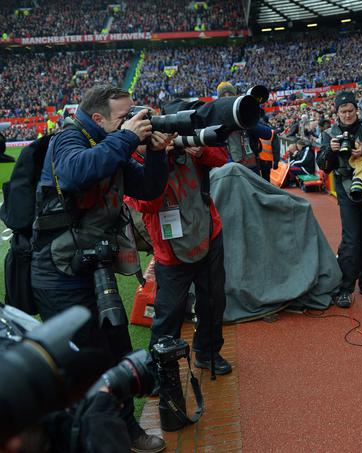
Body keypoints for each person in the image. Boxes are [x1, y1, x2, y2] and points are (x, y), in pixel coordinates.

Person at [30, 85, 170, 453]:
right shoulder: (68, 140)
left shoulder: (112, 144)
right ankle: (106, 439)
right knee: (89, 364)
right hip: (60, 274)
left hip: (92, 265)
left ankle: (123, 431)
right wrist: (125, 138)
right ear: (98, 119)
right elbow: (77, 173)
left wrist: (155, 152)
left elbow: (149, 190)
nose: (133, 123)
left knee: (117, 347)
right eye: (125, 117)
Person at [125, 141, 232, 375]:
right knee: (169, 311)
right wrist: (159, 157)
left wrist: (201, 149)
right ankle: (160, 369)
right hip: (170, 250)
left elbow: (222, 158)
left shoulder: (185, 141)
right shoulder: (127, 162)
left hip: (207, 232)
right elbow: (148, 202)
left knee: (213, 300)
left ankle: (208, 352)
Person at [316, 91, 362, 308]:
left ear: (356, 110)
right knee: (351, 239)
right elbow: (324, 165)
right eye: (343, 111)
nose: (347, 115)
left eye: (350, 110)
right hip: (346, 192)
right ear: (337, 113)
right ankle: (345, 287)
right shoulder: (329, 133)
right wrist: (331, 152)